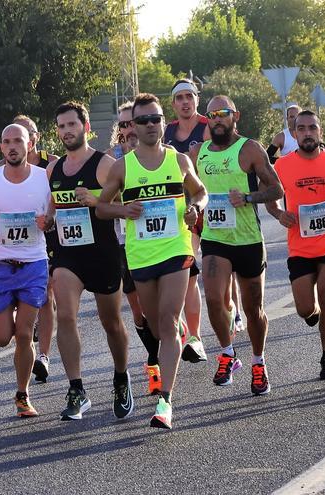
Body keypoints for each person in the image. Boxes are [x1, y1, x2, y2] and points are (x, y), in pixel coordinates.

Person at [97, 93, 208, 429]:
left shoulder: (178, 161)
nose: (149, 125)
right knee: (157, 326)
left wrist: (195, 208)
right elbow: (101, 208)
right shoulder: (122, 167)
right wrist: (122, 209)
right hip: (141, 254)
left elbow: (201, 191)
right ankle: (174, 334)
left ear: (163, 122)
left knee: (169, 321)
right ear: (131, 126)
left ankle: (166, 402)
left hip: (176, 249)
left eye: (155, 119)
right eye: (142, 120)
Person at [45, 101, 133, 421]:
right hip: (69, 256)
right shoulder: (53, 170)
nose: (67, 131)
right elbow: (54, 208)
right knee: (65, 316)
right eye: (61, 126)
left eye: (72, 124)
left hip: (103, 253)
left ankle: (121, 378)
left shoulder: (104, 165)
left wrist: (97, 201)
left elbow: (126, 203)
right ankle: (77, 389)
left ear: (85, 127)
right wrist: (48, 220)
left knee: (111, 323)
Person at [192, 96, 283, 394]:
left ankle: (259, 362)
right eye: (212, 115)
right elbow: (187, 190)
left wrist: (247, 198)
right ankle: (228, 353)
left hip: (248, 240)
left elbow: (275, 189)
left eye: (223, 113)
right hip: (216, 239)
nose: (218, 119)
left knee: (253, 309)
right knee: (215, 301)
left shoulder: (249, 149)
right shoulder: (199, 153)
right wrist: (192, 206)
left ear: (235, 116)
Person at [0, 123, 53, 417]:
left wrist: (47, 220)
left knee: (23, 333)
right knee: (0, 337)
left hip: (34, 263)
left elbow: (54, 210)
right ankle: (15, 314)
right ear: (1, 147)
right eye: (6, 142)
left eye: (17, 141)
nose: (12, 146)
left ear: (29, 145)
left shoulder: (43, 178)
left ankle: (22, 395)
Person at [268, 111, 325, 380]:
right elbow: (271, 199)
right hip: (300, 246)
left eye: (312, 128)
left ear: (320, 132)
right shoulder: (282, 166)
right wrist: (280, 214)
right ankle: (313, 314)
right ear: (294, 134)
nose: (307, 133)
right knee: (305, 308)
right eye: (301, 129)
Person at [0, 115, 58, 383]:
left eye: (25, 135)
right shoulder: (1, 166)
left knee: (46, 294)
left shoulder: (51, 165)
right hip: (13, 243)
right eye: (10, 139)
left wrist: (50, 219)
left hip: (47, 236)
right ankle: (25, 325)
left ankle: (43, 355)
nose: (18, 143)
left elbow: (58, 199)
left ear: (35, 138)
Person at [109, 102, 160, 395]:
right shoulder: (112, 160)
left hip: (160, 242)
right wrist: (121, 208)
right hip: (124, 242)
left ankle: (157, 361)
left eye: (132, 123)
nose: (128, 129)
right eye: (123, 125)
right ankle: (155, 358)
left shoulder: (159, 155)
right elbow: (103, 201)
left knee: (160, 311)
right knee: (138, 312)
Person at [163, 78, 211, 362]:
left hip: (206, 201)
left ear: (196, 99)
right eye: (179, 97)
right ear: (173, 104)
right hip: (176, 209)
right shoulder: (166, 131)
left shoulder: (208, 126)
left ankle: (197, 334)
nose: (185, 102)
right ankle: (186, 331)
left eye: (189, 96)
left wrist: (197, 159)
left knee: (194, 272)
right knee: (187, 271)